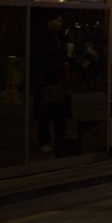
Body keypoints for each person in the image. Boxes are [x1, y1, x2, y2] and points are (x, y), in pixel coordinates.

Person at [31, 11, 70, 153]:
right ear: (49, 21)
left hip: (57, 80)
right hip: (46, 81)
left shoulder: (59, 37)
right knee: (45, 113)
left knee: (58, 112)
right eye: (57, 20)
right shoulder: (42, 38)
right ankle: (45, 140)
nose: (59, 24)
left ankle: (60, 139)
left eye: (60, 21)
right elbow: (41, 60)